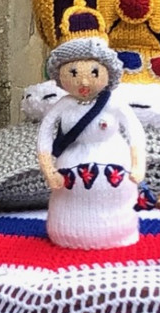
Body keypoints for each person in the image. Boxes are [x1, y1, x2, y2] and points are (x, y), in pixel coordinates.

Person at [36, 34, 147, 249]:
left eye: (94, 72)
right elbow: (45, 134)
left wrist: (138, 163)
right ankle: (68, 233)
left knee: (119, 200)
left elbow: (135, 131)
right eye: (74, 73)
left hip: (114, 164)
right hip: (70, 172)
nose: (84, 81)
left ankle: (119, 231)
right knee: (69, 204)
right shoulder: (64, 105)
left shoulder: (113, 103)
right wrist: (48, 169)